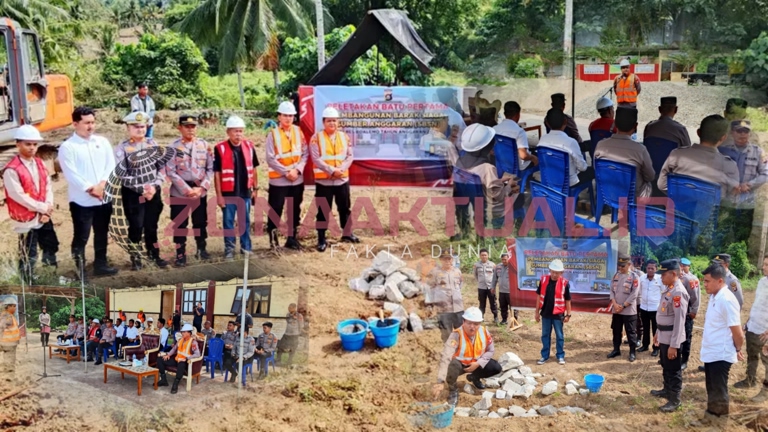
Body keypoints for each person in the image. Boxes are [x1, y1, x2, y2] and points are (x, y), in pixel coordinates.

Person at [58, 107, 118, 277]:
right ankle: (80, 271)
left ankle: (101, 265)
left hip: (103, 198)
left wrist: (103, 184)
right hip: (82, 201)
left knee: (102, 233)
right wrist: (91, 188)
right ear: (75, 124)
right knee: (81, 236)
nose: (90, 126)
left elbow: (111, 165)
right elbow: (71, 174)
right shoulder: (68, 147)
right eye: (86, 123)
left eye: (92, 122)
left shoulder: (102, 142)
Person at [4, 125, 58, 281]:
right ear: (18, 144)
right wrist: (43, 208)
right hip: (26, 218)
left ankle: (51, 276)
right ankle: (28, 281)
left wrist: (48, 208)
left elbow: (47, 186)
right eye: (28, 144)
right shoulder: (12, 170)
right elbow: (18, 195)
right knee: (29, 251)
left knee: (50, 245)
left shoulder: (39, 163)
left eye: (35, 144)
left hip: (43, 215)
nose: (32, 148)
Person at [454, 123, 520, 238]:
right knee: (519, 193)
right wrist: (509, 185)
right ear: (486, 148)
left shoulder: (459, 163)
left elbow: (484, 184)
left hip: (471, 205)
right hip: (490, 210)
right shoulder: (487, 168)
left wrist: (500, 181)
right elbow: (497, 196)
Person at [165, 114, 213, 267]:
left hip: (199, 191)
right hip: (180, 191)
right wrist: (186, 190)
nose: (190, 129)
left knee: (200, 221)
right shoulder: (173, 147)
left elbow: (210, 169)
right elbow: (170, 171)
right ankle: (180, 254)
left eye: (193, 126)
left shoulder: (204, 145)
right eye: (187, 126)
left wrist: (202, 187)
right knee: (180, 224)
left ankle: (201, 249)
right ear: (179, 128)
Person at [432, 307, 502, 405]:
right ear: (463, 321)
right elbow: (445, 356)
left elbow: (490, 350)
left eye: (476, 324)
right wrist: (440, 381)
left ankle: (474, 377)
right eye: (469, 323)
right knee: (451, 365)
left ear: (480, 323)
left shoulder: (484, 332)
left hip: (476, 364)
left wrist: (478, 363)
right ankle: (453, 390)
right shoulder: (456, 335)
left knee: (496, 367)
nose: (472, 327)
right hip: (460, 366)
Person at [310, 107, 357, 252]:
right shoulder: (316, 138)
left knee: (345, 208)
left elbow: (350, 156)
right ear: (323, 122)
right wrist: (332, 170)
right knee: (323, 210)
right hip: (324, 181)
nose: (332, 123)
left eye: (334, 120)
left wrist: (340, 169)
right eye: (329, 121)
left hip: (341, 180)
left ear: (338, 122)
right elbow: (316, 159)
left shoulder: (344, 137)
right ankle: (321, 238)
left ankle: (347, 233)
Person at [700, 263, 744, 418]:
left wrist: (737, 349)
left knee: (719, 390)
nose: (704, 284)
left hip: (721, 353)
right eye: (704, 281)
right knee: (712, 387)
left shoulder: (726, 299)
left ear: (720, 281)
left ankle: (720, 421)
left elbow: (738, 333)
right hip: (712, 352)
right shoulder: (714, 296)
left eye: (707, 281)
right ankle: (711, 416)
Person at [658, 115, 740, 196]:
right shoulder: (730, 166)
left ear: (698, 133)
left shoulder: (677, 155)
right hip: (710, 205)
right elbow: (732, 198)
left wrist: (679, 196)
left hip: (678, 204)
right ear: (723, 138)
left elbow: (662, 185)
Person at [214, 115, 259, 259]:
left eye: (240, 131)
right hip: (228, 193)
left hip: (245, 192)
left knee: (244, 221)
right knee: (228, 222)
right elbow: (217, 174)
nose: (238, 134)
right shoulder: (220, 148)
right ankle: (229, 249)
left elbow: (254, 168)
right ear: (228, 132)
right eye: (235, 131)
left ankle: (246, 248)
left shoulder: (249, 147)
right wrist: (219, 196)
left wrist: (255, 189)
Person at [649, 259, 689, 412]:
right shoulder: (669, 289)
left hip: (672, 338)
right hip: (664, 335)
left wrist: (674, 345)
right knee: (665, 365)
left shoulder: (678, 292)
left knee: (673, 369)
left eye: (663, 274)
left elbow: (679, 321)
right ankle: (666, 390)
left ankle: (675, 399)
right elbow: (663, 315)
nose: (661, 277)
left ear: (673, 274)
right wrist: (657, 333)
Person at [267, 101, 308, 250]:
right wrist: (286, 172)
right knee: (275, 209)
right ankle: (273, 241)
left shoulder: (298, 132)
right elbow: (270, 158)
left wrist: (297, 170)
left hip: (296, 179)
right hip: (279, 180)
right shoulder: (273, 134)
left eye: (291, 116)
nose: (288, 118)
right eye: (285, 115)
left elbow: (305, 153)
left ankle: (292, 238)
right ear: (279, 117)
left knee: (294, 210)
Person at [594, 107, 655, 198]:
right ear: (635, 126)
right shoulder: (640, 150)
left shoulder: (600, 146)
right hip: (631, 198)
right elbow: (650, 176)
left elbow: (596, 170)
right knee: (648, 185)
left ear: (615, 124)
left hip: (608, 194)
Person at [736, 254, 768, 399]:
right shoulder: (762, 282)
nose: (763, 267)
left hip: (765, 331)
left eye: (767, 265)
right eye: (764, 264)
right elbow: (757, 304)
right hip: (754, 326)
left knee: (767, 361)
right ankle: (750, 380)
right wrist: (748, 322)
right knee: (752, 355)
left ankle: (765, 392)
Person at [718, 120, 768, 209]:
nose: (743, 134)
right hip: (726, 199)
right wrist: (731, 184)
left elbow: (765, 174)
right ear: (732, 132)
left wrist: (749, 184)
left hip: (747, 201)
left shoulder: (758, 152)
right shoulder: (722, 151)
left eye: (746, 131)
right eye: (739, 131)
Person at [539, 109, 593, 188]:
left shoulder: (542, 140)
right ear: (565, 122)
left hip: (550, 179)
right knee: (593, 171)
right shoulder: (571, 142)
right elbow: (582, 168)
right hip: (569, 183)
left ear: (547, 123)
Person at [535, 259, 572, 365]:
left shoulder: (564, 283)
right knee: (545, 335)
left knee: (559, 336)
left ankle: (560, 355)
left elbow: (568, 300)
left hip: (558, 315)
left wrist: (568, 314)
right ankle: (544, 355)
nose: (555, 275)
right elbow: (538, 296)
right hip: (546, 313)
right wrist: (536, 312)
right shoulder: (543, 280)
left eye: (557, 273)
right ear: (550, 270)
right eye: (553, 272)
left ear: (561, 272)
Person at [607, 253, 640, 362]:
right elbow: (611, 290)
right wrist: (615, 304)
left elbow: (634, 294)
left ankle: (632, 352)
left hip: (629, 311)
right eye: (619, 266)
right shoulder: (616, 275)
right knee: (616, 331)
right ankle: (616, 349)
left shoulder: (634, 277)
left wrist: (623, 306)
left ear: (629, 264)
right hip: (616, 310)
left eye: (623, 266)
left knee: (631, 332)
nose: (620, 268)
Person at [428, 250, 466, 342]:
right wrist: (431, 305)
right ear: (440, 260)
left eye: (449, 259)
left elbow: (460, 284)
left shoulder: (457, 271)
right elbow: (430, 288)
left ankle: (460, 349)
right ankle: (448, 350)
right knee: (446, 334)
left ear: (452, 259)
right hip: (443, 309)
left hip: (458, 307)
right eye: (445, 259)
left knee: (461, 332)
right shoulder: (435, 272)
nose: (447, 261)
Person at [493, 101, 538, 172]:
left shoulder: (494, 129)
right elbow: (523, 156)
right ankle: (528, 178)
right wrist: (533, 158)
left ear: (504, 114)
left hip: (502, 162)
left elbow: (491, 151)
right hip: (518, 167)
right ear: (517, 115)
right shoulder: (519, 132)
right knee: (537, 156)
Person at [157, 323, 201, 394]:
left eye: (184, 332)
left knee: (181, 365)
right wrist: (168, 355)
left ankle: (175, 384)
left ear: (189, 333)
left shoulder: (193, 342)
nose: (182, 333)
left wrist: (188, 358)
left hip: (185, 362)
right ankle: (163, 380)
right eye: (182, 332)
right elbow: (174, 349)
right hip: (177, 359)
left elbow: (197, 354)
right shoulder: (180, 340)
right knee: (160, 359)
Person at [679, 257, 700, 370]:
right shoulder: (676, 277)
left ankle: (684, 360)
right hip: (677, 311)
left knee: (686, 337)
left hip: (687, 312)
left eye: (684, 266)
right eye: (681, 265)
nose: (682, 267)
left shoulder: (691, 279)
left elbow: (695, 297)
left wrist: (693, 311)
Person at [639, 259, 663, 357]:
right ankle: (645, 345)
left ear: (656, 269)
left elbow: (664, 291)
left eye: (652, 268)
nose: (650, 270)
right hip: (644, 307)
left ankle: (656, 348)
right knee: (645, 328)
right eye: (648, 268)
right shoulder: (642, 278)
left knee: (655, 329)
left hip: (655, 308)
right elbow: (640, 290)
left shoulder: (660, 279)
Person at [491, 252, 517, 326]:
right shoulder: (498, 267)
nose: (504, 261)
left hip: (511, 292)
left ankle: (514, 320)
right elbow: (494, 278)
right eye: (502, 259)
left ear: (509, 259)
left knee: (513, 307)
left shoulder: (513, 267)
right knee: (503, 306)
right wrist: (493, 287)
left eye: (505, 259)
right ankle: (504, 320)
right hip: (502, 291)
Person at [473, 249, 498, 324]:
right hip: (481, 287)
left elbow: (495, 275)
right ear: (480, 256)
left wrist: (493, 285)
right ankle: (481, 317)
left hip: (491, 287)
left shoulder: (493, 265)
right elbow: (475, 275)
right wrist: (480, 281)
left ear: (488, 256)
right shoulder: (476, 265)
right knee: (482, 303)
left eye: (485, 255)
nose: (484, 256)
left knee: (493, 302)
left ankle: (496, 317)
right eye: (482, 255)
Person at [0, 297, 20, 377]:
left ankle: (9, 377)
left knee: (9, 363)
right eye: (14, 306)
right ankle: (9, 379)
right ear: (8, 306)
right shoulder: (7, 316)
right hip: (8, 344)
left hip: (10, 343)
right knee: (9, 364)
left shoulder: (9, 315)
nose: (15, 308)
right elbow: (1, 328)